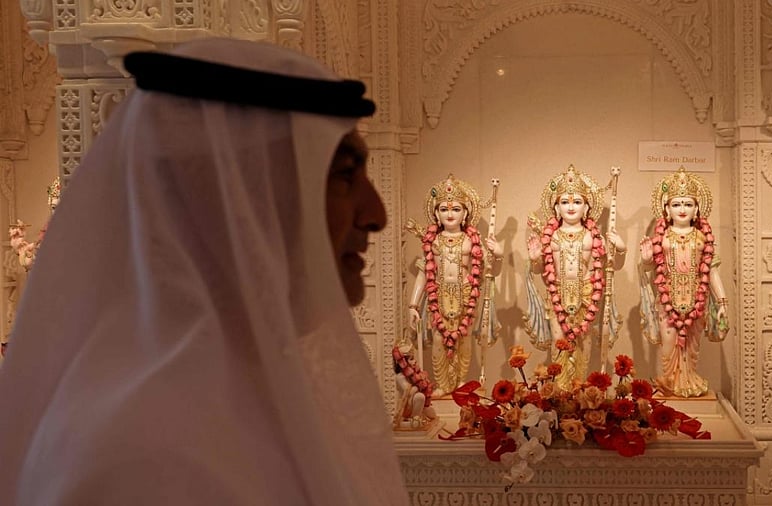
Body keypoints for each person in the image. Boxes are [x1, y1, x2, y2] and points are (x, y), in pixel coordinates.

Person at [0, 38, 409, 505]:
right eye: (343, 176)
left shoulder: (252, 393)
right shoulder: (143, 457)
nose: (376, 213)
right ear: (239, 196)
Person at [524, 165, 626, 388]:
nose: (571, 207)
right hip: (557, 294)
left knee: (584, 342)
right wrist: (535, 258)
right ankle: (560, 389)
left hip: (586, 294)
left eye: (577, 201)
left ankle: (579, 387)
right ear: (556, 208)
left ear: (587, 207)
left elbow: (612, 266)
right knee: (558, 341)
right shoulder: (550, 236)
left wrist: (621, 249)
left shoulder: (593, 235)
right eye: (565, 202)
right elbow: (541, 269)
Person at [406, 175, 501, 396]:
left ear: (466, 213)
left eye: (456, 209)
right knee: (439, 338)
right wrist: (413, 304)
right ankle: (443, 385)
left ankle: (460, 382)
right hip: (438, 295)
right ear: (436, 214)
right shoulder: (433, 241)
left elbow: (489, 272)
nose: (450, 214)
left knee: (464, 337)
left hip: (466, 295)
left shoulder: (471, 240)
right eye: (444, 209)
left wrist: (498, 254)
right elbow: (423, 272)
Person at [638, 167, 729, 397]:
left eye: (688, 204)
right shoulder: (662, 237)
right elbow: (649, 267)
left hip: (696, 302)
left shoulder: (702, 238)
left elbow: (712, 271)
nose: (682, 209)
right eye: (676, 204)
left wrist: (723, 302)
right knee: (668, 347)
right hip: (667, 302)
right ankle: (670, 382)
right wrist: (646, 259)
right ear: (667, 209)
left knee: (691, 348)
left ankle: (687, 382)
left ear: (697, 208)